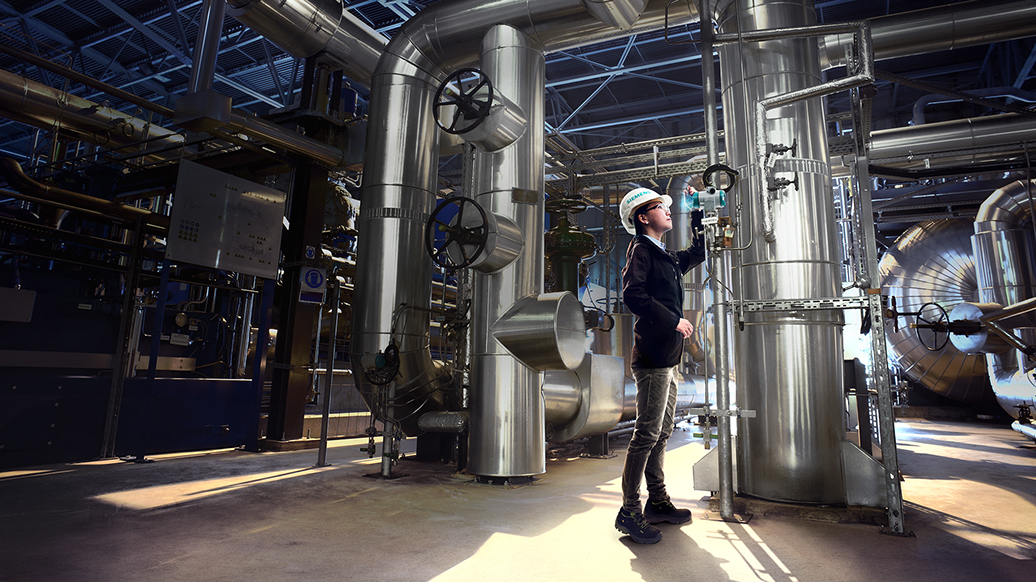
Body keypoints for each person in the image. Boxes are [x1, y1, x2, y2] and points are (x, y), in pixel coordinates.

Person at [614, 186, 705, 544]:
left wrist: (697, 209)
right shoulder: (641, 250)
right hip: (652, 359)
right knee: (646, 435)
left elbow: (700, 251)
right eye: (659, 207)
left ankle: (658, 501)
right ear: (642, 217)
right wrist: (674, 321)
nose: (668, 211)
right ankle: (629, 511)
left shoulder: (664, 256)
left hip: (668, 360)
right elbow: (632, 294)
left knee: (662, 433)